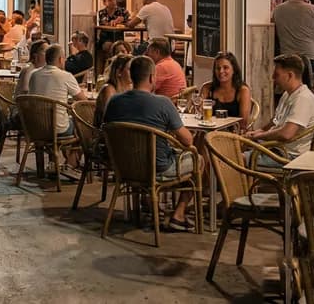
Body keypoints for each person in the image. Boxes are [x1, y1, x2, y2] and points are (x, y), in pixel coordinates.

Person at [102, 55, 198, 231]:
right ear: (152, 77)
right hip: (157, 168)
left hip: (123, 167)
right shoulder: (163, 103)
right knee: (198, 159)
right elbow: (187, 140)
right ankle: (179, 213)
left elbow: (106, 128)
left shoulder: (114, 101)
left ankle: (149, 205)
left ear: (131, 76)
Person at [246, 54, 314, 160]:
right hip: (276, 147)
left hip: (288, 155)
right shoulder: (287, 94)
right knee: (236, 146)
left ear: (290, 75)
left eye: (276, 74)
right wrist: (258, 131)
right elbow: (275, 121)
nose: (272, 78)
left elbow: (286, 134)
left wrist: (259, 136)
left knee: (237, 157)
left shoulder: (303, 99)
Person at [26, 45, 88, 138]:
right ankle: (72, 152)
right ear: (60, 59)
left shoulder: (34, 74)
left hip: (35, 127)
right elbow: (83, 101)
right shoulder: (65, 76)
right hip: (58, 128)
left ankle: (52, 151)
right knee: (83, 124)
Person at [199, 51, 253, 129]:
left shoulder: (242, 91)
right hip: (209, 131)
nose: (221, 71)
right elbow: (198, 114)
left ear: (234, 70)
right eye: (218, 68)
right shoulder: (207, 88)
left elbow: (243, 122)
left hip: (234, 134)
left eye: (225, 67)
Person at [95, 54, 133, 126]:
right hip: (108, 132)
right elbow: (109, 118)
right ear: (119, 72)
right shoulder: (109, 89)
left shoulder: (131, 88)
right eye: (130, 69)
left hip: (125, 129)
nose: (134, 72)